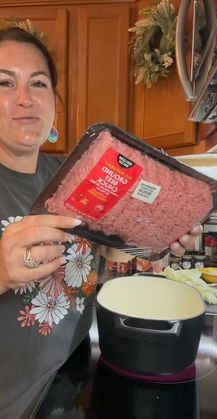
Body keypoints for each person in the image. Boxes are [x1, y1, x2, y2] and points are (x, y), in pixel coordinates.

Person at [0, 25, 202, 419]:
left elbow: (110, 244)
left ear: (54, 101)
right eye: (4, 83)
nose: (25, 98)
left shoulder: (78, 172)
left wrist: (157, 236)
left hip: (71, 382)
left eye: (38, 83)